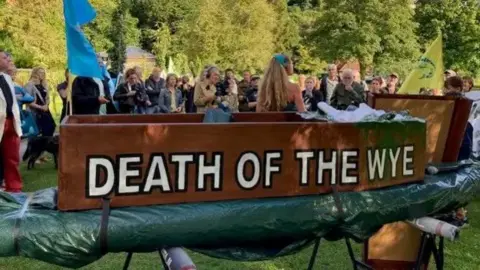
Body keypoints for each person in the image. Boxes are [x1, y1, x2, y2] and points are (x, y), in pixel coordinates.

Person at [0, 49, 23, 192]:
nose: (8, 59)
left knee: (12, 157)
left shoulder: (7, 78)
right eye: (4, 58)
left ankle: (14, 188)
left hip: (11, 121)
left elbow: (12, 102)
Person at [24, 67, 56, 136]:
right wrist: (41, 107)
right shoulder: (29, 84)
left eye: (43, 73)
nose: (42, 74)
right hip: (35, 111)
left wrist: (47, 105)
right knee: (38, 131)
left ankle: (47, 145)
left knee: (51, 127)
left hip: (45, 110)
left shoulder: (44, 84)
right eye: (40, 72)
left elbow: (47, 98)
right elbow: (27, 101)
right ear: (35, 73)